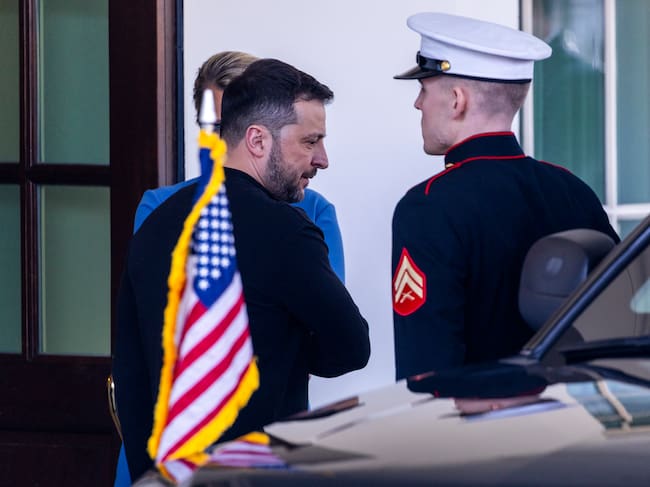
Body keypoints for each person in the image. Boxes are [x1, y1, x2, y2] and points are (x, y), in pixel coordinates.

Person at [112, 58, 370, 481]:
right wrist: (289, 344)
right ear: (257, 140)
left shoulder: (156, 225)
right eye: (310, 141)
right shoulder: (288, 229)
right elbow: (352, 347)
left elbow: (132, 373)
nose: (322, 159)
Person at [391, 12, 619, 381]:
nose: (418, 104)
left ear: (457, 101)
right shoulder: (573, 190)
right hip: (571, 406)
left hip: (477, 414)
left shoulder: (428, 205)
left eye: (424, 89)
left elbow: (426, 364)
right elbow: (614, 317)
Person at [133, 51, 346, 282]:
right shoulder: (160, 206)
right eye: (218, 127)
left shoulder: (314, 209)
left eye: (241, 125)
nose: (230, 140)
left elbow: (329, 302)